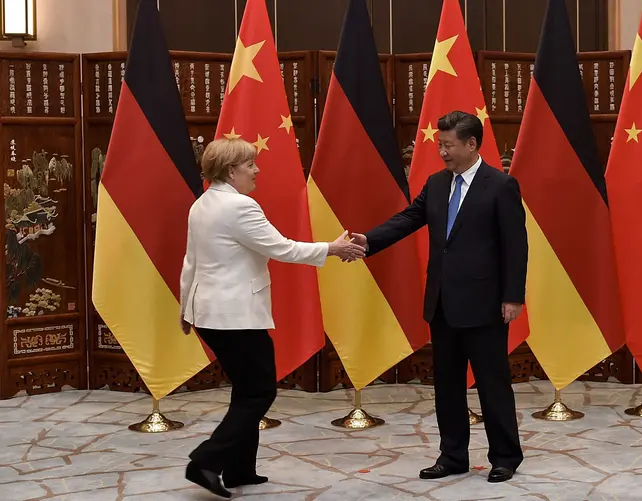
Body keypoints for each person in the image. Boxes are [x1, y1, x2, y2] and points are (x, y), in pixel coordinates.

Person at [179, 137, 365, 498]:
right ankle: (205, 461)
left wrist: (186, 308)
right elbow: (282, 248)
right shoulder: (240, 207)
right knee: (259, 392)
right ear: (232, 171)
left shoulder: (201, 204)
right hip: (235, 316)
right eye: (250, 164)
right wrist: (334, 248)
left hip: (210, 313)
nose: (256, 170)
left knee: (246, 390)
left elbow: (191, 261)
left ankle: (238, 469)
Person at [351, 110, 528, 483]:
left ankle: (505, 457)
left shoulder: (500, 185)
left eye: (448, 145)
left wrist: (513, 296)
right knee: (447, 385)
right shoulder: (435, 183)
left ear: (472, 144)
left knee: (492, 383)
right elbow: (408, 219)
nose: (443, 153)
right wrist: (370, 240)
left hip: (485, 303)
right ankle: (452, 456)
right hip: (443, 302)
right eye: (440, 145)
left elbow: (516, 245)